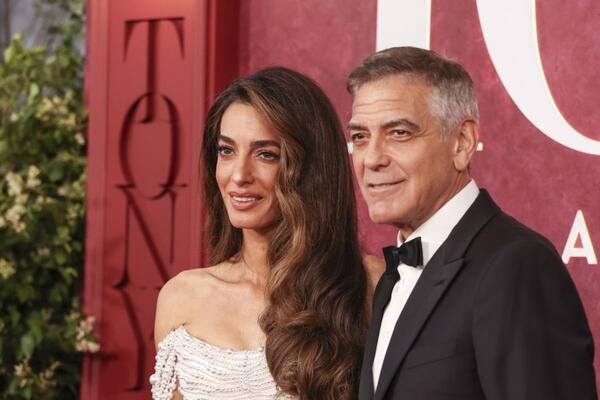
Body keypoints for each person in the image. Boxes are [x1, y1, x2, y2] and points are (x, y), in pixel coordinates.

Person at [347, 47, 597, 400]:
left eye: (399, 133)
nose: (371, 159)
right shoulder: (392, 277)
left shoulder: (516, 265)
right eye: (360, 137)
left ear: (462, 143)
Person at [149, 66, 383, 400]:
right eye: (226, 151)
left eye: (266, 155)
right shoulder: (182, 296)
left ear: (310, 168)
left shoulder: (368, 284)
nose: (239, 175)